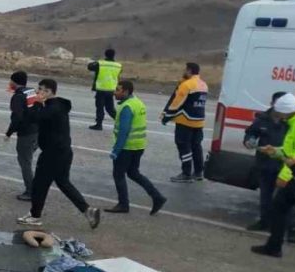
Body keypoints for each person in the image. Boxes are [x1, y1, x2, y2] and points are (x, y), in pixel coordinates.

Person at [18, 78, 101, 229]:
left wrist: (36, 102)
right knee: (63, 182)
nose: (39, 92)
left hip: (53, 153)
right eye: (39, 88)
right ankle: (88, 211)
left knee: (39, 185)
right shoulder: (57, 106)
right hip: (62, 151)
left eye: (42, 90)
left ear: (50, 92)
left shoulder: (52, 108)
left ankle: (35, 216)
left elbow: (33, 118)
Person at [251, 93, 295, 258]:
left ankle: (274, 246)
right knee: (279, 207)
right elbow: (290, 151)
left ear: (287, 112)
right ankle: (273, 247)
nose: (278, 116)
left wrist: (284, 176)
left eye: (279, 112)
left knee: (282, 207)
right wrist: (275, 151)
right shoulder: (294, 122)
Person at [104, 80, 167, 215]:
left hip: (127, 147)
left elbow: (124, 131)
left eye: (118, 90)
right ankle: (157, 197)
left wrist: (116, 150)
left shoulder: (127, 107)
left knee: (118, 174)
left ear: (126, 92)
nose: (115, 92)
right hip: (139, 145)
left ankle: (123, 204)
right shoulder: (137, 102)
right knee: (133, 173)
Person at [161, 62, 209, 182]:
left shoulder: (187, 85)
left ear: (189, 71)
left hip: (185, 121)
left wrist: (166, 117)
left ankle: (186, 173)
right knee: (196, 146)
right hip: (199, 121)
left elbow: (177, 103)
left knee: (183, 146)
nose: (184, 71)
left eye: (185, 70)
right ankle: (198, 172)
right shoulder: (203, 84)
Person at [4, 70, 38, 201]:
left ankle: (31, 191)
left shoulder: (18, 96)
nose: (9, 83)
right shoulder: (31, 91)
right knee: (28, 158)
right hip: (37, 131)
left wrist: (8, 133)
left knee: (25, 162)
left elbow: (17, 118)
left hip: (27, 133)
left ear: (14, 82)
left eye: (11, 80)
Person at [87, 48, 122, 130]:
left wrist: (96, 61)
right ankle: (120, 122)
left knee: (100, 107)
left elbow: (90, 66)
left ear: (105, 54)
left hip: (101, 88)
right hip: (111, 89)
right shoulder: (118, 65)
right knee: (110, 108)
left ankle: (99, 124)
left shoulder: (100, 63)